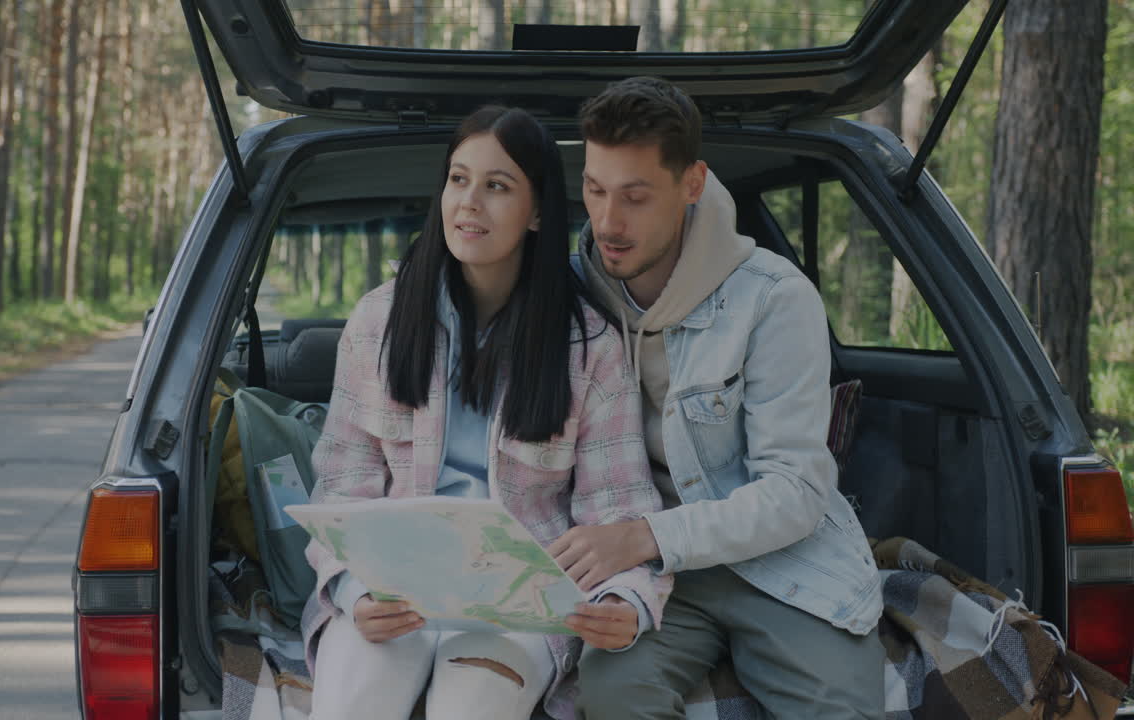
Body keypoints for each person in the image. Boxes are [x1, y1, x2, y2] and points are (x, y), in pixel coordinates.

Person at [300, 105, 671, 720]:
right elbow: (342, 486)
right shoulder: (378, 321)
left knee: (469, 706)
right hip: (393, 589)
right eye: (458, 179)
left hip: (516, 604)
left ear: (538, 212)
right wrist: (354, 590)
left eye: (497, 186)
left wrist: (626, 603)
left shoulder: (590, 346)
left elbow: (620, 506)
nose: (469, 202)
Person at [548, 76, 886, 719]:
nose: (608, 222)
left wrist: (643, 535)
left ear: (693, 184)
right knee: (613, 697)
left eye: (636, 197)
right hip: (648, 578)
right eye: (594, 190)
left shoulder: (772, 298)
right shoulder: (567, 295)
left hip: (785, 561)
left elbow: (794, 493)